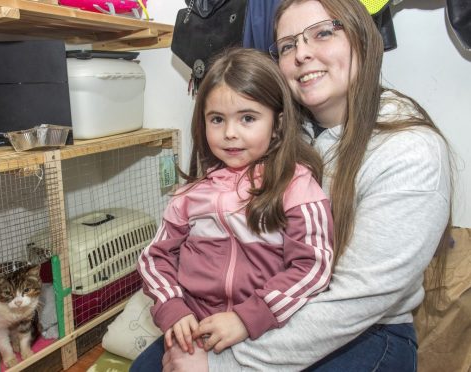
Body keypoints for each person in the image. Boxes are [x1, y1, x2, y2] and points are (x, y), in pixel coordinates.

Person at [157, 0, 453, 371]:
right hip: (265, 308)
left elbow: (357, 301)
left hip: (364, 331)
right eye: (287, 45)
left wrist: (222, 365)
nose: (302, 54)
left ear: (363, 37)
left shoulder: (411, 152)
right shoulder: (267, 135)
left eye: (323, 33)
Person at [132, 47, 334, 371]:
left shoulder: (296, 185)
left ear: (277, 123)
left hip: (264, 329)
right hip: (195, 329)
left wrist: (246, 318)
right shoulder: (189, 195)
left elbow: (313, 266)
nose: (230, 133)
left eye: (248, 118)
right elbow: (155, 258)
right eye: (217, 119)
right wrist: (173, 308)